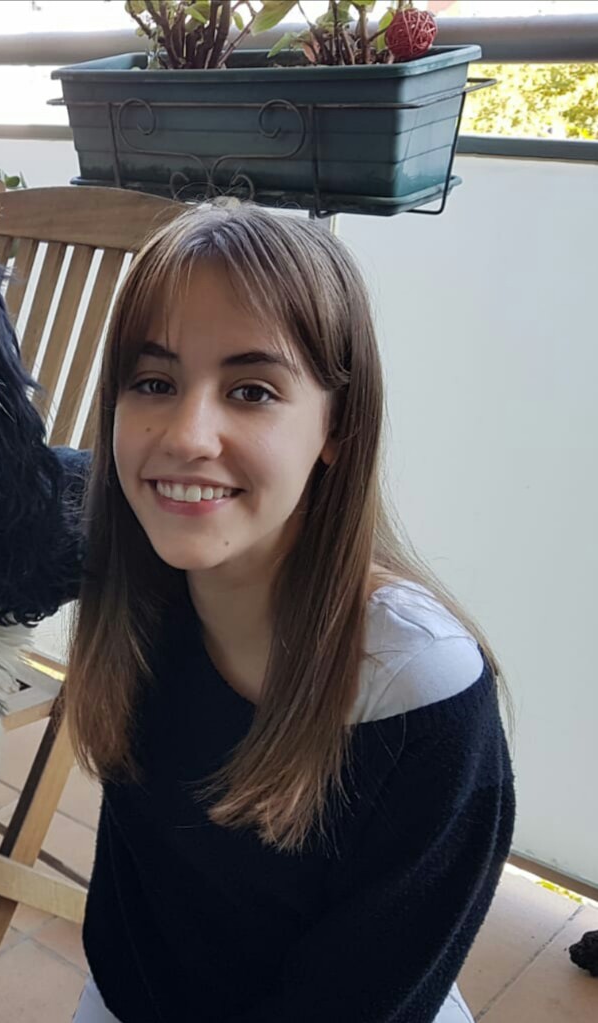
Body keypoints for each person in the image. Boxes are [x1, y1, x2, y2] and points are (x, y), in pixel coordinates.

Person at [66, 202, 515, 1023]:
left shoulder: (418, 690)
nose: (187, 434)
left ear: (337, 427)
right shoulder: (136, 579)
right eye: (154, 382)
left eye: (251, 390)